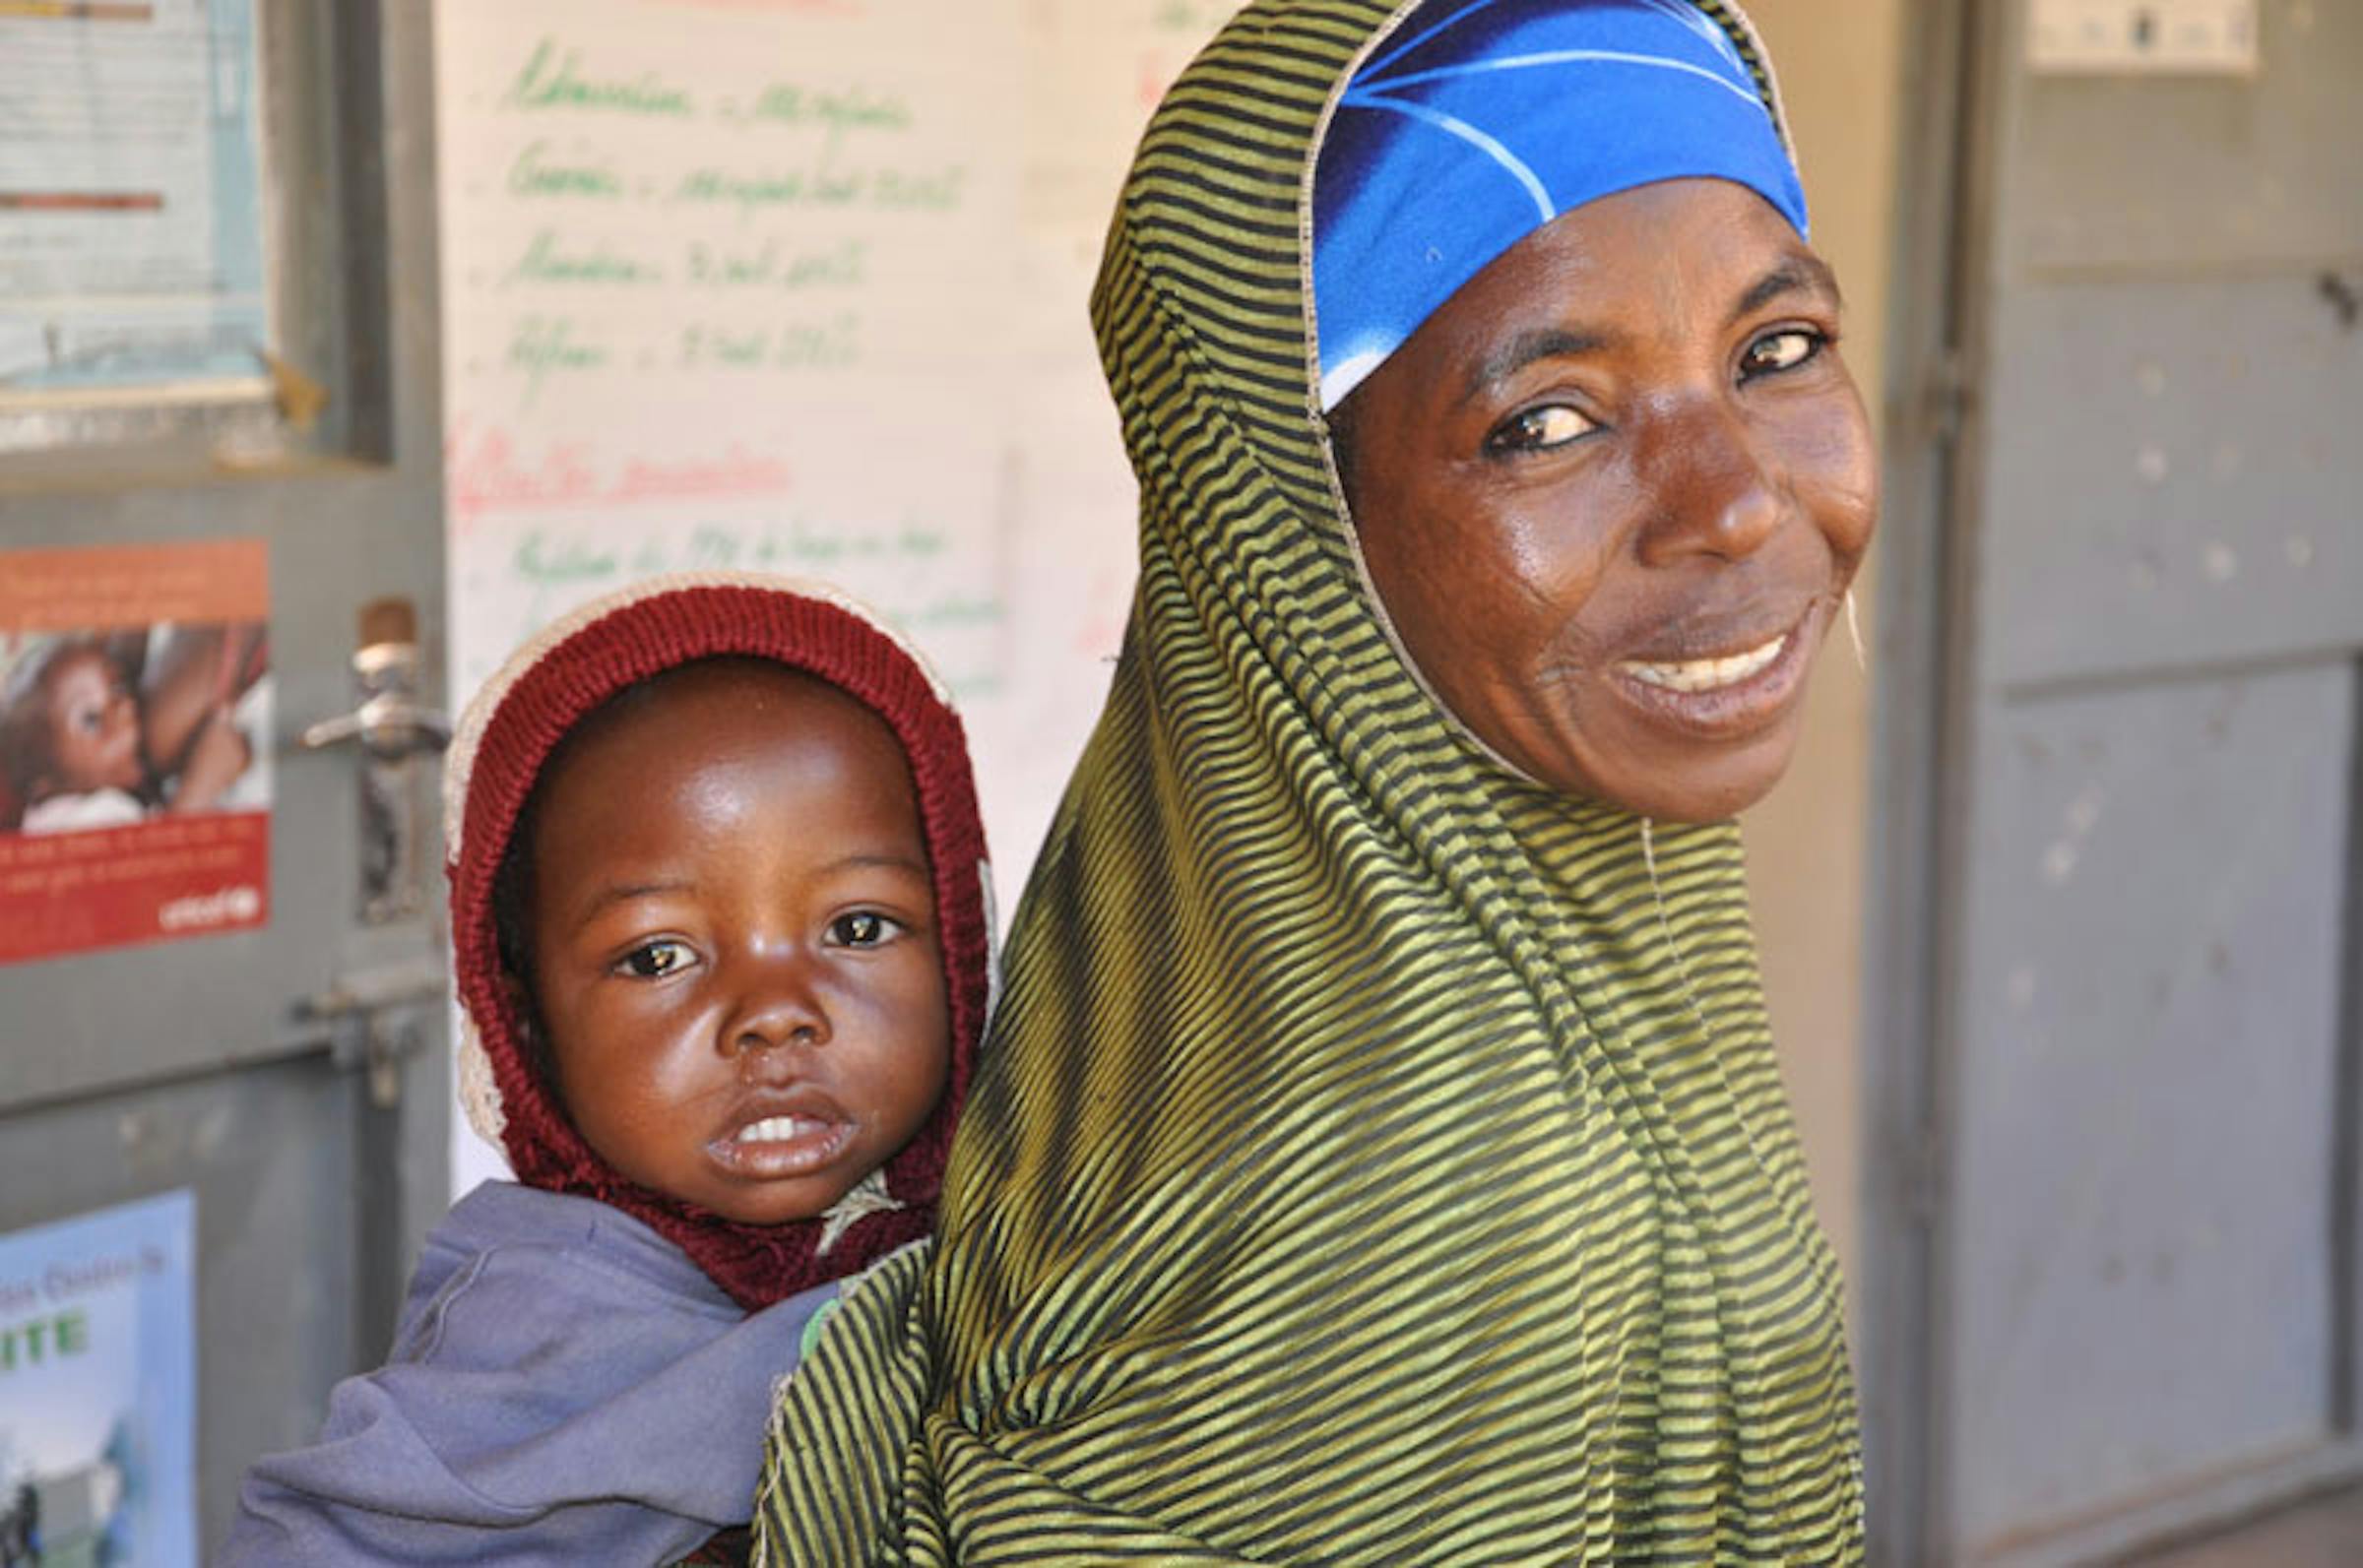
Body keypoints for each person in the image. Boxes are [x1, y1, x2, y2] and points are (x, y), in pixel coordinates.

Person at [757, 1, 1871, 1562]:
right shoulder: (1432, 1195)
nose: (1738, 506)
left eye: (1778, 351)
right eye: (1547, 422)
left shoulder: (1203, 913)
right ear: (1297, 533)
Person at [222, 574, 993, 1567]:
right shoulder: (526, 1334)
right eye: (657, 956)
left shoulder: (1020, 1234)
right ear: (526, 1023)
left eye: (857, 928)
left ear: (963, 956)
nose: (774, 1017)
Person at [0, 625, 263, 835]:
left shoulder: (96, 795)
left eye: (118, 688)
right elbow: (151, 874)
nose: (126, 709)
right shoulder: (79, 821)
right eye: (91, 719)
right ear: (47, 785)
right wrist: (203, 786)